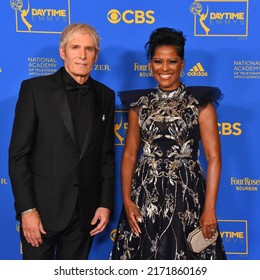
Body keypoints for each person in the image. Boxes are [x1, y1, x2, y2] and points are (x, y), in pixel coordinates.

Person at [111, 27, 226, 260]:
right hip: (144, 194)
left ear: (182, 64)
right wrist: (127, 200)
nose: (165, 69)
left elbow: (213, 158)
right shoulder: (139, 104)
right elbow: (131, 154)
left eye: (172, 61)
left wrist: (210, 208)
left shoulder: (201, 104)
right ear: (150, 65)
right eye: (158, 61)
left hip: (187, 194)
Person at [9, 23, 115, 260]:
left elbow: (106, 157)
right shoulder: (35, 90)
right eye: (75, 47)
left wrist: (105, 204)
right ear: (62, 52)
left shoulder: (106, 95)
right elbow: (18, 157)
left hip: (84, 214)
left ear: (96, 55)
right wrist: (27, 210)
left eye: (89, 49)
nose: (82, 55)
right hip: (41, 213)